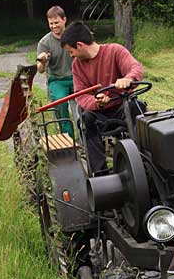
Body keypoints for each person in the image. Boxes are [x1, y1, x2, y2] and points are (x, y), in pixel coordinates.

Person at [60, 21, 145, 174]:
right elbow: (81, 95)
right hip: (100, 114)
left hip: (122, 106)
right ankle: (100, 174)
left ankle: (143, 161)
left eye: (70, 51)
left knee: (137, 107)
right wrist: (96, 101)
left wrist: (128, 79)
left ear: (79, 45)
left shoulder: (115, 50)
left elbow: (135, 68)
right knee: (85, 121)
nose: (71, 55)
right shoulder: (77, 66)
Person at [36, 6, 74, 135]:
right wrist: (43, 61)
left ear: (64, 20)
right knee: (60, 103)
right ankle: (69, 139)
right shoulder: (44, 42)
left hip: (77, 77)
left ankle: (87, 136)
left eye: (56, 22)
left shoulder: (74, 36)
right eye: (51, 23)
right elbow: (40, 70)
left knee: (86, 106)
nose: (53, 26)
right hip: (57, 80)